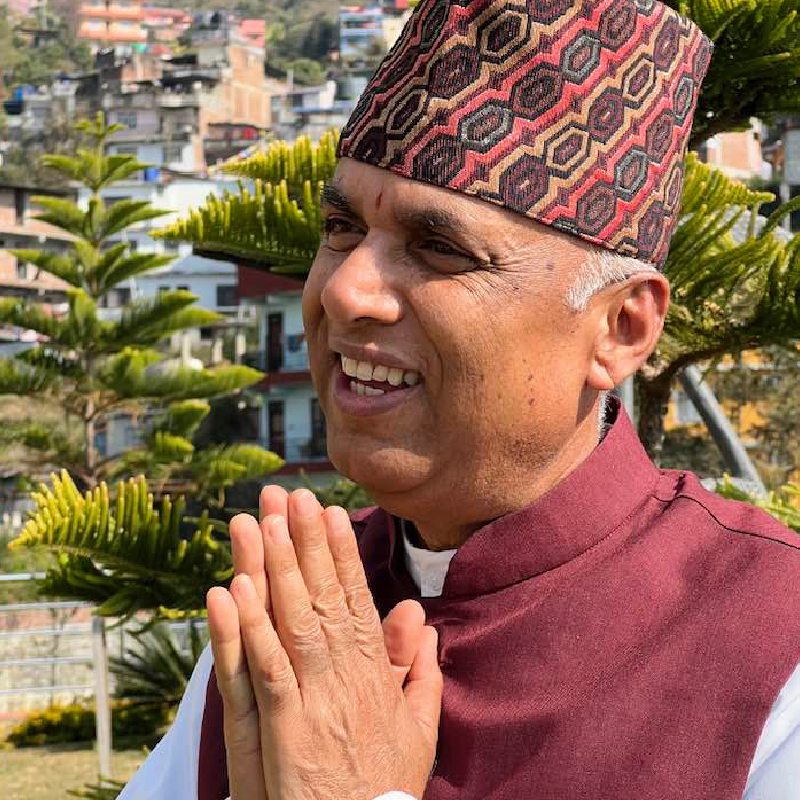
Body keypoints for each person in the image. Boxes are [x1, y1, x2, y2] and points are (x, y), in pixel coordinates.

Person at [119, 1, 800, 798]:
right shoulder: (288, 627)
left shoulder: (773, 651)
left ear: (619, 328)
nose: (344, 290)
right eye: (341, 228)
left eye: (440, 248)